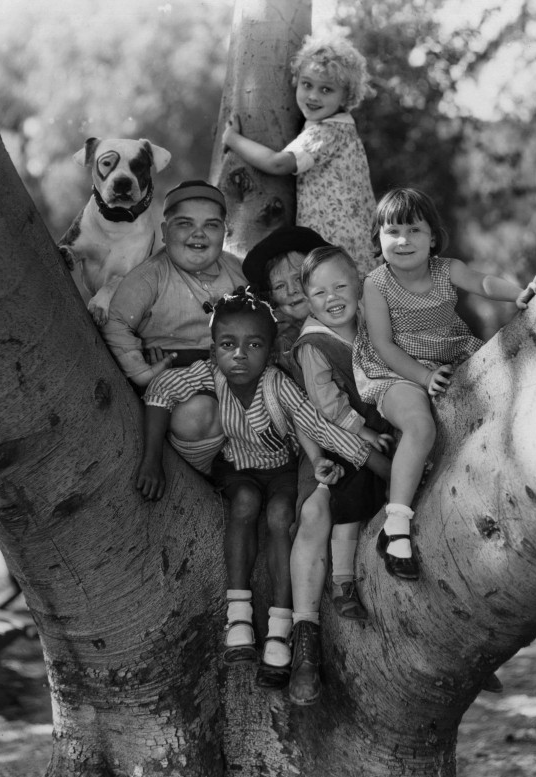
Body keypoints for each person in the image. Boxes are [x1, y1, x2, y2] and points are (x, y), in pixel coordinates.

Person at [135, 287, 379, 690]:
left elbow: (320, 428)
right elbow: (160, 391)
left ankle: (280, 631)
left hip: (282, 471)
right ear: (213, 350)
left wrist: (381, 465)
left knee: (283, 514)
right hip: (237, 472)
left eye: (254, 345)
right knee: (245, 502)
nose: (240, 355)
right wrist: (150, 459)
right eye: (228, 345)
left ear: (271, 350)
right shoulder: (210, 375)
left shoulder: (277, 384)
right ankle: (240, 620)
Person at [353, 187, 536, 581]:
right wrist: (423, 377)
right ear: (378, 239)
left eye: (414, 230)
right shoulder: (376, 283)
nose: (403, 240)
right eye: (392, 232)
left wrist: (520, 293)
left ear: (433, 238)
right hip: (393, 366)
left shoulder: (447, 269)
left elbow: (484, 282)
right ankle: (397, 525)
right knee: (420, 423)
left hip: (449, 351)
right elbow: (382, 344)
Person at [285, 246, 392, 705]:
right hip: (341, 442)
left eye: (341, 287)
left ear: (361, 283)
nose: (332, 298)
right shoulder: (314, 345)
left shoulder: (373, 325)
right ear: (306, 300)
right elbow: (327, 406)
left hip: (385, 428)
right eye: (318, 292)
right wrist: (365, 434)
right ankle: (341, 582)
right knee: (346, 499)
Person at [102, 180, 246, 474]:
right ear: (166, 233)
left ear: (225, 232)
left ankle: (241, 467)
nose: (198, 234)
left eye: (211, 225)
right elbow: (116, 322)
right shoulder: (151, 276)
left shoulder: (236, 270)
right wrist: (139, 370)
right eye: (185, 224)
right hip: (174, 383)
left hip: (234, 376)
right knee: (197, 416)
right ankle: (207, 473)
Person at [222, 33, 376, 277]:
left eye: (326, 89)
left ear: (346, 97)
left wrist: (233, 139)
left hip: (337, 242)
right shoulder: (340, 129)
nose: (313, 96)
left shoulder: (329, 131)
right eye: (307, 84)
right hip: (346, 244)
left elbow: (277, 163)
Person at [240, 225, 330, 362]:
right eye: (280, 286)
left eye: (299, 279)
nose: (291, 290)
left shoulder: (345, 316)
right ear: (270, 296)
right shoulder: (279, 343)